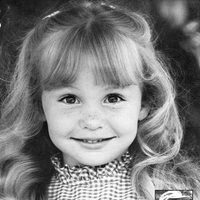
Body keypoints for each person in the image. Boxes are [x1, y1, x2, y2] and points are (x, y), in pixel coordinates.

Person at [0, 1, 200, 199]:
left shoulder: (169, 191)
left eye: (113, 98)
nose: (92, 122)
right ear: (38, 105)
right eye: (70, 99)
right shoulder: (20, 191)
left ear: (145, 103)